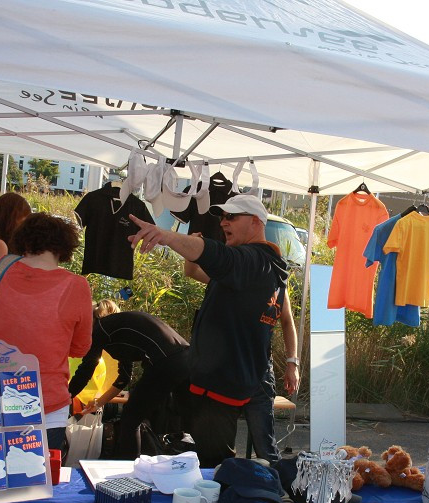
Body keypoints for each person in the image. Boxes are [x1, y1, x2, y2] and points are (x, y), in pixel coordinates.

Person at [128, 194, 290, 468]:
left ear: (255, 222)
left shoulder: (252, 260)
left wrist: (165, 235)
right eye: (223, 217)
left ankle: (254, 498)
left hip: (223, 383)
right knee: (245, 458)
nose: (224, 222)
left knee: (218, 465)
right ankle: (266, 493)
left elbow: (215, 254)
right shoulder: (261, 268)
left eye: (232, 217)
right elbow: (201, 267)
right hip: (237, 376)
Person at [0, 212, 93, 452]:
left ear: (24, 240)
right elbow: (80, 348)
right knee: (39, 483)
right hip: (46, 400)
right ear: (64, 247)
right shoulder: (77, 285)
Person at [183, 238, 300, 463]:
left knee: (264, 443)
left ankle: (275, 489)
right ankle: (230, 481)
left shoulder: (273, 282)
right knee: (219, 443)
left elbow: (288, 321)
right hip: (231, 369)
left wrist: (292, 362)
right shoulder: (230, 278)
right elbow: (192, 270)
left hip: (260, 371)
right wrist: (193, 244)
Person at [68, 299, 191, 459]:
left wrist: (65, 397)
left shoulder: (102, 328)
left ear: (90, 319)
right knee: (186, 417)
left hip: (165, 361)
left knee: (131, 419)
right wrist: (98, 403)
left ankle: (129, 470)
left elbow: (86, 369)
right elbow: (124, 377)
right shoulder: (120, 330)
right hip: (187, 360)